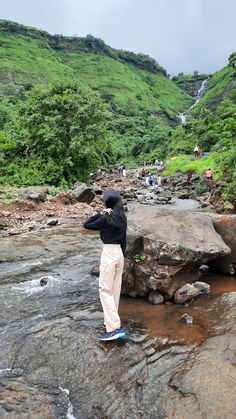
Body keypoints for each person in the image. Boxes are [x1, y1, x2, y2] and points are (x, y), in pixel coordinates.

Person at [83, 190, 127, 342]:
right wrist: (123, 256)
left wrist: (100, 213)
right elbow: (124, 240)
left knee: (105, 290)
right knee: (115, 289)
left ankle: (114, 328)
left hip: (109, 253)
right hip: (119, 253)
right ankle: (110, 321)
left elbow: (87, 225)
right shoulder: (122, 216)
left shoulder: (106, 217)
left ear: (107, 202)